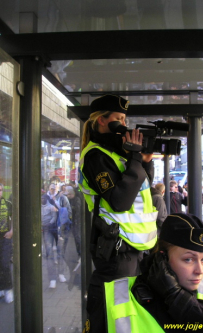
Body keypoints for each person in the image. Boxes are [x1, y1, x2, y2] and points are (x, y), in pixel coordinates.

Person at [78, 94, 158, 332]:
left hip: (135, 247)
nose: (124, 123)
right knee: (112, 312)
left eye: (125, 118)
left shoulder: (115, 150)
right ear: (101, 120)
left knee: (129, 311)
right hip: (116, 248)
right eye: (118, 118)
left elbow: (141, 187)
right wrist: (134, 157)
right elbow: (120, 201)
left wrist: (145, 160)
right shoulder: (95, 156)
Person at [104, 213, 203, 333]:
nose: (200, 270)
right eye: (188, 259)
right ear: (162, 258)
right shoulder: (116, 296)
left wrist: (180, 299)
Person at [41, 194, 67, 288]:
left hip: (58, 229)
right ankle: (52, 278)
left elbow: (64, 212)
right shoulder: (41, 207)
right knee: (49, 253)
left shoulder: (57, 201)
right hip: (47, 229)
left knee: (60, 252)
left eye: (43, 199)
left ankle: (61, 273)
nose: (42, 200)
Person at [0, 183, 13, 303]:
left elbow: (14, 217)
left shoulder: (7, 204)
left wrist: (11, 231)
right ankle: (2, 287)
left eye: (0, 190)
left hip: (5, 237)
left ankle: (8, 288)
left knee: (4, 263)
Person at [65, 185, 82, 261]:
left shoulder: (76, 200)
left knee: (77, 237)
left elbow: (78, 212)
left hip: (76, 222)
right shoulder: (69, 200)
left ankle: (80, 252)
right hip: (72, 222)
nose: (68, 196)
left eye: (69, 194)